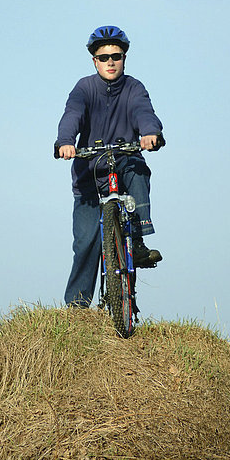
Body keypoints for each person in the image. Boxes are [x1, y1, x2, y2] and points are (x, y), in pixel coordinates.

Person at [54, 25, 165, 307]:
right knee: (85, 245)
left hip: (124, 162)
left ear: (124, 57)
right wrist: (65, 141)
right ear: (95, 61)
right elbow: (72, 115)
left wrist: (150, 133)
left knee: (138, 168)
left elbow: (144, 111)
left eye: (116, 56)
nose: (110, 62)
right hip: (90, 173)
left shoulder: (134, 87)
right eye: (104, 57)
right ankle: (77, 306)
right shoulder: (84, 88)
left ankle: (138, 242)